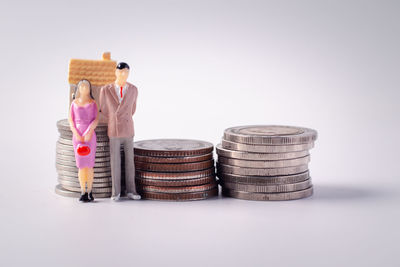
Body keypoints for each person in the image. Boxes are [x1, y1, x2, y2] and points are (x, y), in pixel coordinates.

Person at [99, 62, 141, 201]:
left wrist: (124, 117)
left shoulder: (134, 89)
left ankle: (131, 190)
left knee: (130, 162)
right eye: (121, 71)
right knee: (115, 162)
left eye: (126, 72)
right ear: (116, 72)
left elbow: (133, 109)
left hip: (128, 128)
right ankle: (115, 192)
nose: (124, 74)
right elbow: (104, 109)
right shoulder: (106, 89)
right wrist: (114, 117)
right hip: (114, 129)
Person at [68, 79, 99, 202]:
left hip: (90, 137)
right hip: (78, 137)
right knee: (81, 166)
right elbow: (71, 120)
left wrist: (89, 131)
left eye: (86, 87)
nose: (84, 89)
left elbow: (96, 119)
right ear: (78, 89)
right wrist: (76, 133)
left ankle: (90, 190)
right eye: (81, 87)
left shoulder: (93, 103)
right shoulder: (74, 103)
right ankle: (82, 191)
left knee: (90, 165)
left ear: (89, 89)